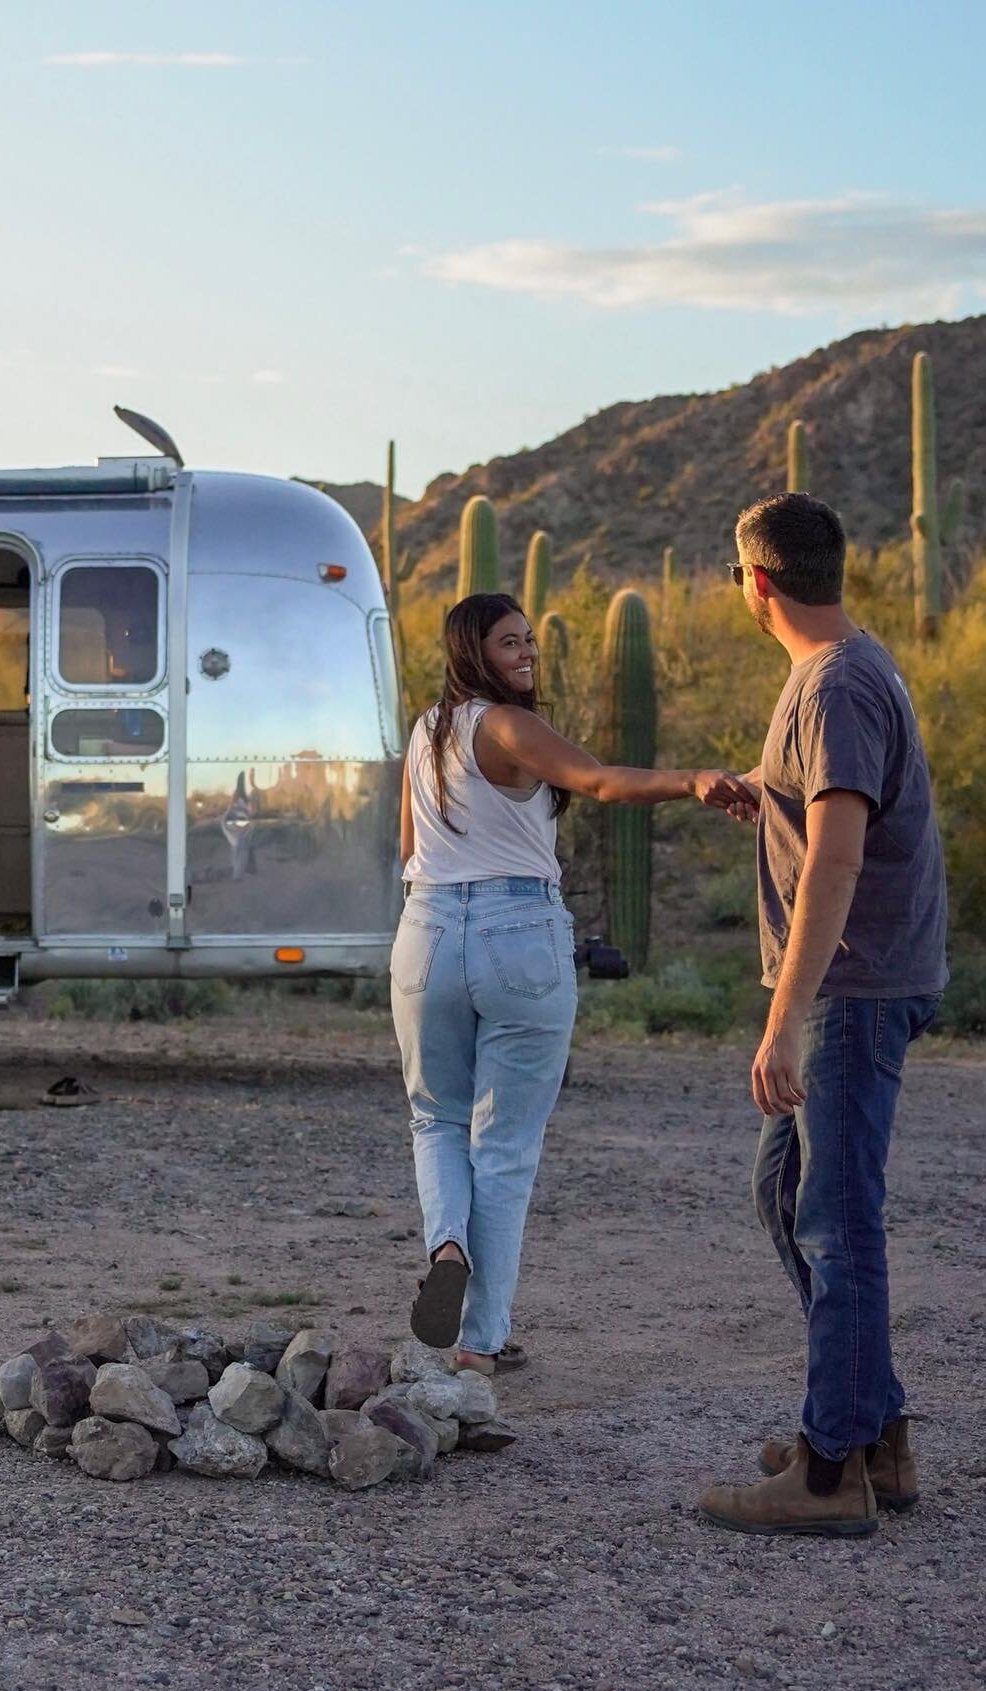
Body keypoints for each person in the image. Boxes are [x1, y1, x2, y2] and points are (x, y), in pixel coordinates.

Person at [394, 592, 755, 1374]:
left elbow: (407, 847)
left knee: (436, 1121)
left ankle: (446, 1243)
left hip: (424, 934)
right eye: (507, 642)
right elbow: (599, 781)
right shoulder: (508, 725)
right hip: (516, 931)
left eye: (528, 640)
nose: (525, 653)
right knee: (506, 1147)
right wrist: (692, 778)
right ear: (473, 653)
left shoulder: (425, 733)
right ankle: (480, 1343)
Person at [699, 493, 948, 1538]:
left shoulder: (835, 684)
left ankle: (829, 1470)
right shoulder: (852, 664)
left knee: (836, 1218)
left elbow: (839, 856)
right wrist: (767, 786)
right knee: (788, 1192)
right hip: (864, 980)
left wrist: (783, 1020)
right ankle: (872, 1432)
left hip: (851, 988)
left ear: (758, 582)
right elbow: (834, 805)